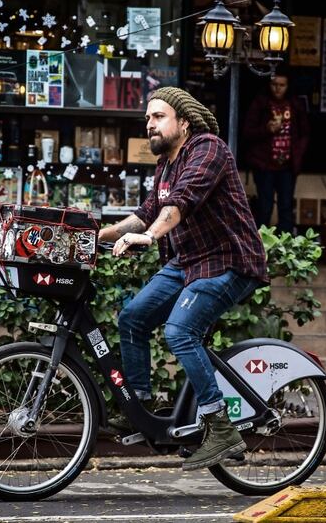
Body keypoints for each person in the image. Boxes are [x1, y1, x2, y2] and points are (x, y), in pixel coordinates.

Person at [97, 86, 268, 471]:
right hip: (187, 261)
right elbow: (145, 213)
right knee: (133, 318)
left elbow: (181, 203)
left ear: (184, 122)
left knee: (180, 331)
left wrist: (150, 236)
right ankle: (139, 404)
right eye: (147, 118)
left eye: (159, 116)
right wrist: (95, 235)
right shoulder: (166, 165)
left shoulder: (209, 149)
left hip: (228, 261)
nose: (150, 124)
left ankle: (220, 427)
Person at [242, 70, 310, 233]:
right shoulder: (261, 103)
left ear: (288, 86)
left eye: (282, 85)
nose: (277, 89)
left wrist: (298, 153)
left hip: (287, 166)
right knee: (264, 207)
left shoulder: (295, 104)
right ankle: (261, 243)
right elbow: (247, 132)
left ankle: (285, 244)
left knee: (286, 207)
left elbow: (305, 132)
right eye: (274, 84)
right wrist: (266, 129)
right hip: (264, 165)